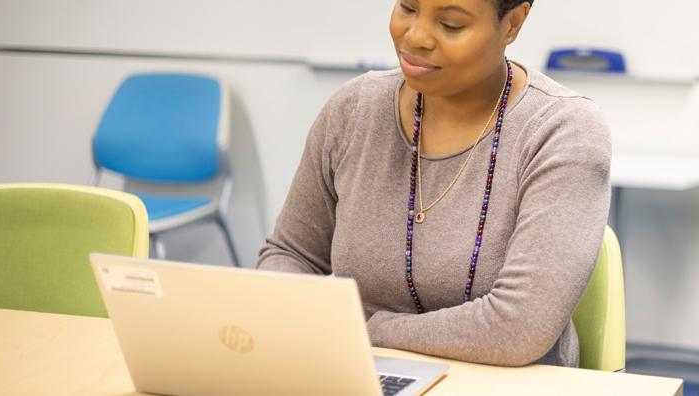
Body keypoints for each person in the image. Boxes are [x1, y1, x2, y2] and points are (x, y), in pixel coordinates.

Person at [257, 0, 611, 368]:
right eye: (408, 8)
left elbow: (518, 329)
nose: (416, 36)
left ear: (512, 24)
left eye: (451, 24)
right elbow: (290, 254)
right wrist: (298, 327)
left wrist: (363, 331)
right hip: (361, 374)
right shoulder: (354, 109)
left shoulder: (564, 130)